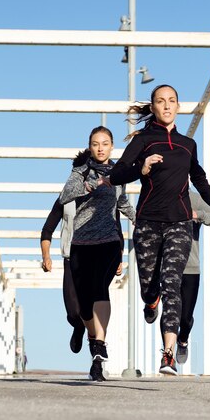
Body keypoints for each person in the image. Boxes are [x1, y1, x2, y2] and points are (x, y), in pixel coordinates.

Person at [108, 84, 210, 375]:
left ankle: (168, 355)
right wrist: (142, 168)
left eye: (172, 101)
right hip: (148, 222)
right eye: (160, 101)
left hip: (179, 223)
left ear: (178, 106)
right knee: (151, 288)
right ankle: (150, 303)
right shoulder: (144, 141)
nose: (166, 106)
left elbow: (198, 175)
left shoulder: (188, 144)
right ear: (153, 107)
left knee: (171, 284)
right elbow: (116, 175)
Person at [59, 126, 136, 381]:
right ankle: (94, 344)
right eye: (95, 143)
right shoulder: (80, 172)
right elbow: (64, 196)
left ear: (111, 146)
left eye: (105, 143)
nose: (100, 148)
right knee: (83, 302)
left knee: (99, 289)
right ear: (90, 146)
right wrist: (85, 187)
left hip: (109, 241)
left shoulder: (118, 173)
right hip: (81, 242)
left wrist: (139, 219)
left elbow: (121, 201)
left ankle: (100, 343)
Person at [175, 191, 210, 365]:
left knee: (185, 318)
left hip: (191, 267)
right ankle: (166, 355)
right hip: (168, 266)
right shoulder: (160, 193)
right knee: (170, 314)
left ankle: (182, 340)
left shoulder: (194, 198)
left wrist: (198, 215)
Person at [41, 199, 86, 353]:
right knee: (73, 312)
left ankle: (97, 359)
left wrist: (118, 255)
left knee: (94, 309)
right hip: (70, 257)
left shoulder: (102, 194)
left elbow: (115, 223)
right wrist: (46, 256)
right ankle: (78, 326)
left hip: (95, 258)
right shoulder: (65, 198)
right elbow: (47, 230)